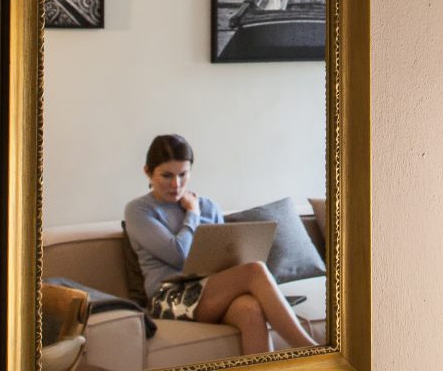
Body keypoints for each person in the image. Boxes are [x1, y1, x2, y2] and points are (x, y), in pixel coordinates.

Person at [120, 134, 315, 358]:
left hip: (209, 290)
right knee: (254, 270)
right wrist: (192, 214)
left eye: (183, 174)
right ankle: (310, 350)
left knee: (250, 309)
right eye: (167, 175)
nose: (176, 184)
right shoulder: (139, 210)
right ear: (148, 172)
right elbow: (178, 254)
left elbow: (226, 257)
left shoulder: (209, 206)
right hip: (166, 297)